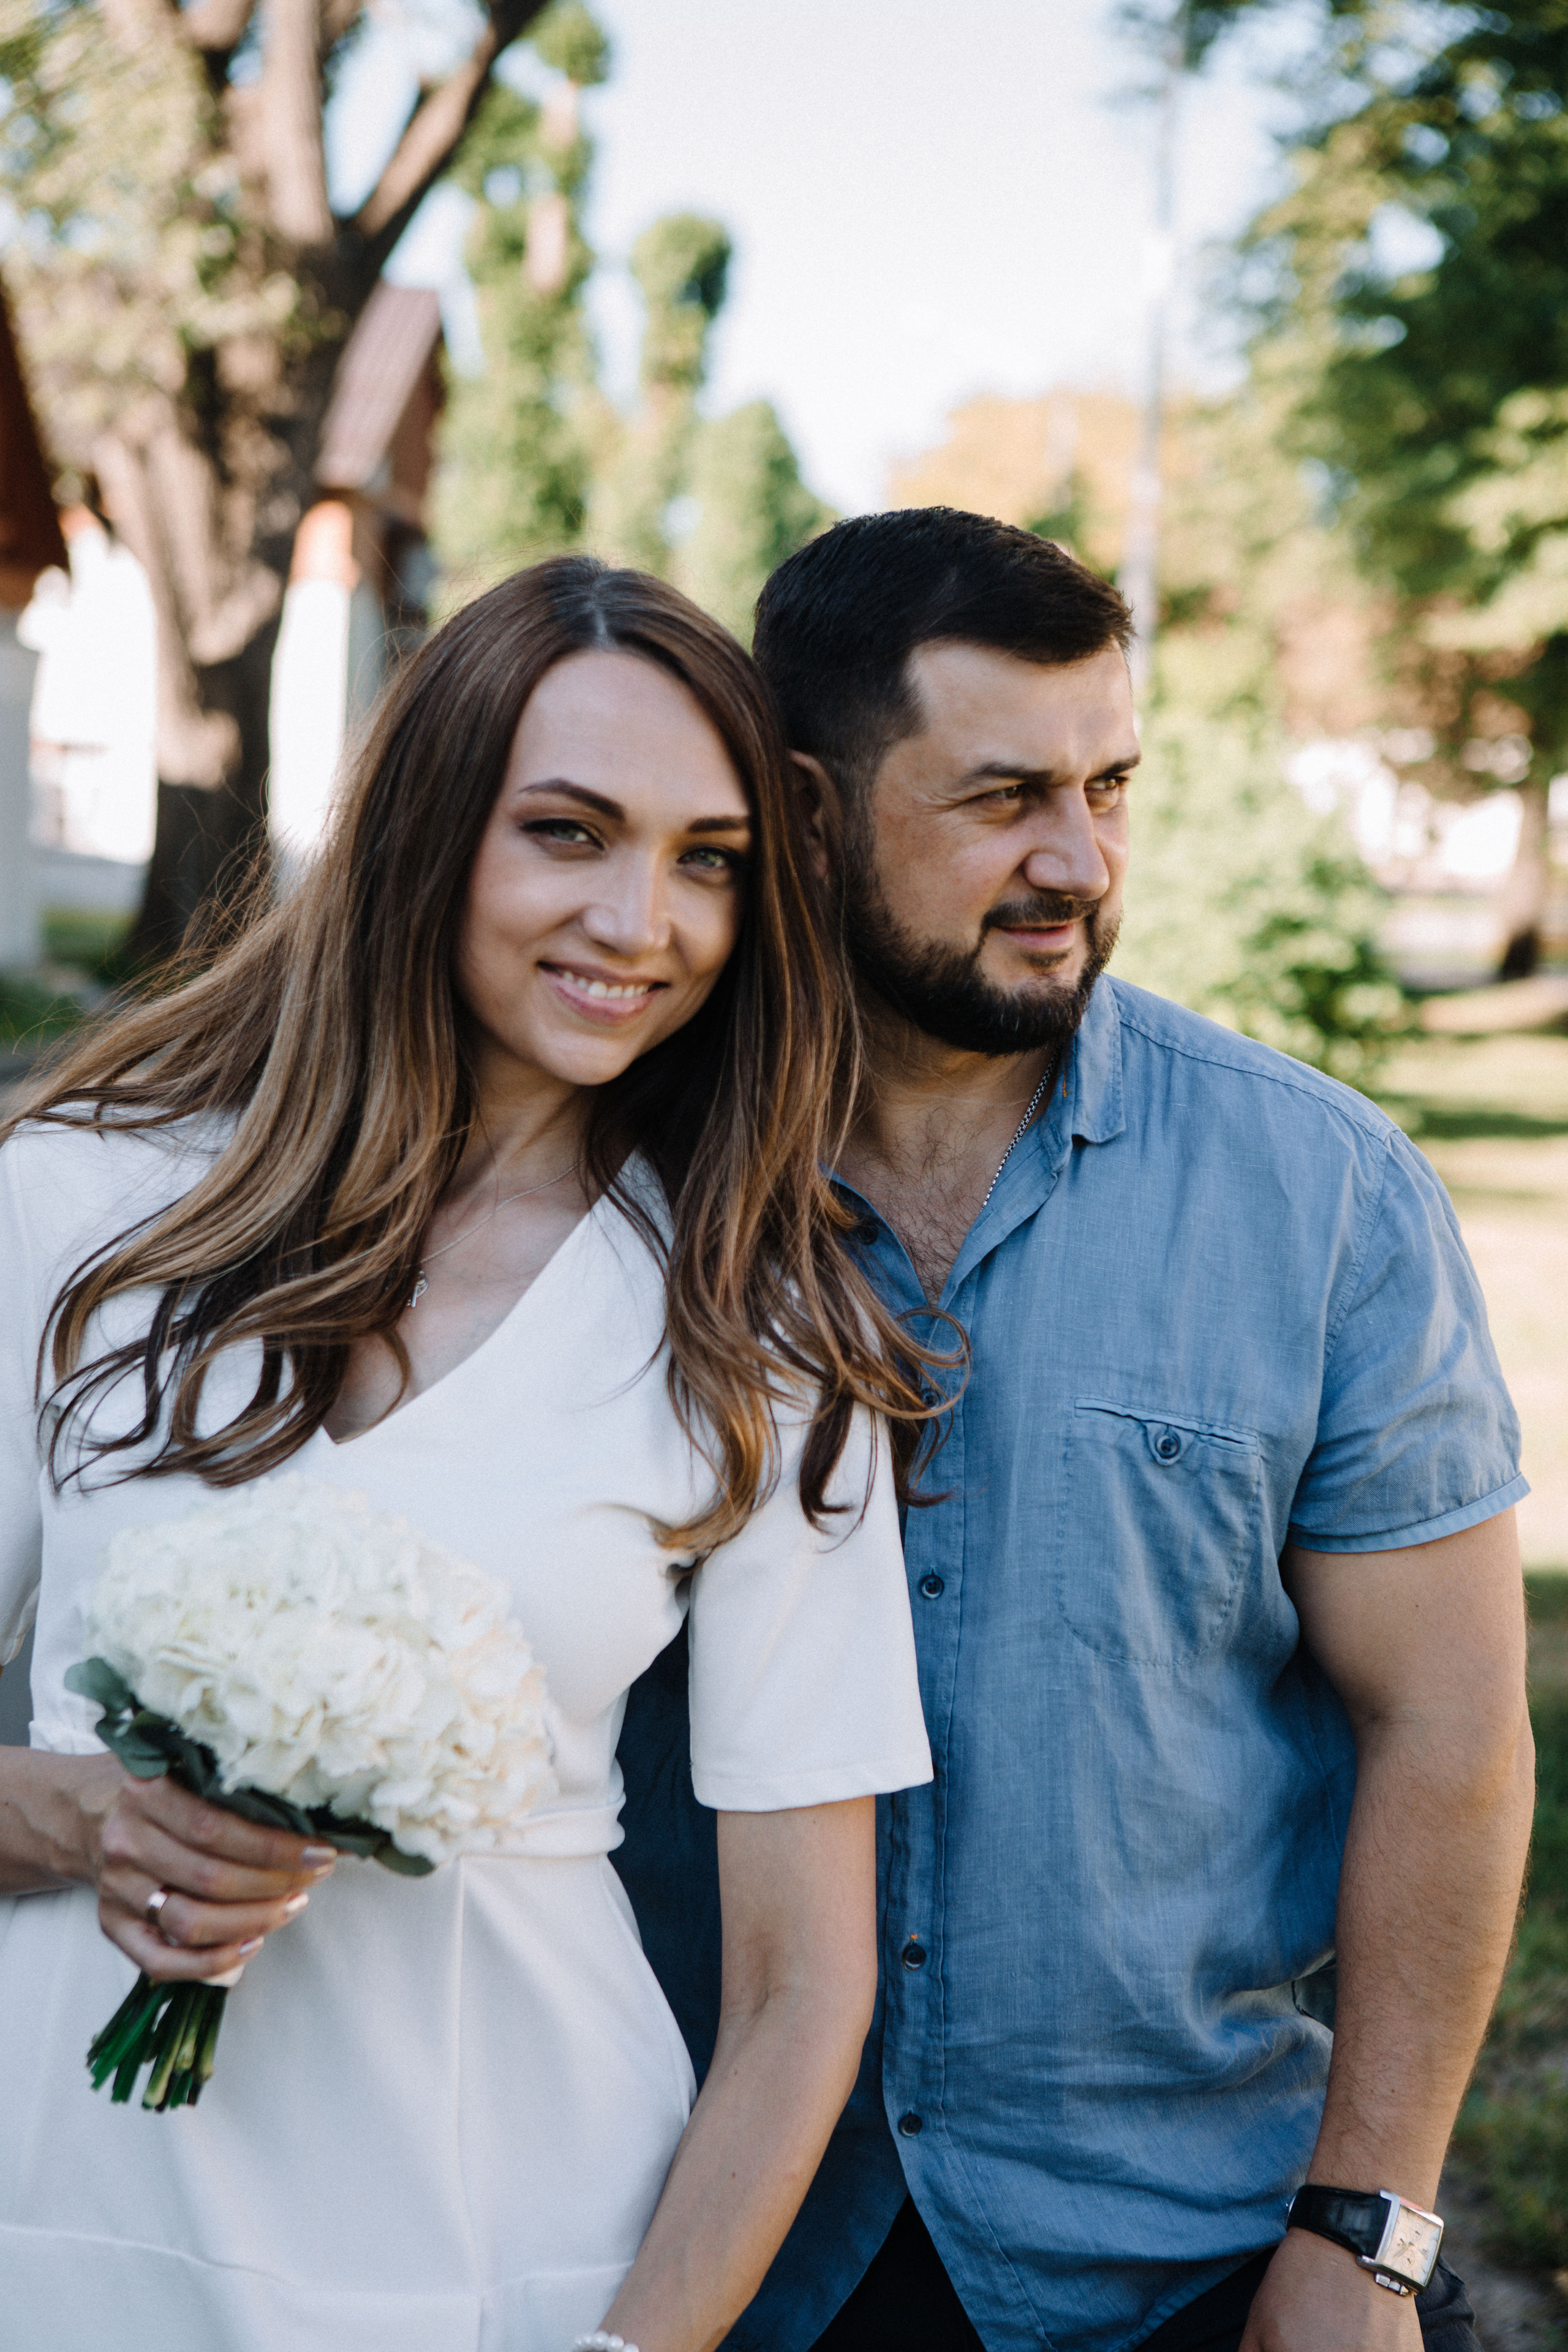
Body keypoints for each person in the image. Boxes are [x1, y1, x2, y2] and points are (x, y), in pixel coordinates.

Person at [613, 508, 1534, 2352]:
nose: (1080, 860)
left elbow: (1445, 1722)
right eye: (1004, 797)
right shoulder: (614, 1177)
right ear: (805, 812)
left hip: (1172, 2255)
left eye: (1113, 784)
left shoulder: (1324, 1194)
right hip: (685, 2240)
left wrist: (1365, 2233)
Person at [0, 558, 937, 2352]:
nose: (643, 920)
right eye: (568, 833)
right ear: (426, 831)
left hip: (506, 2239)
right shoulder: (78, 1205)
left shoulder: (758, 1331)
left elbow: (805, 1990)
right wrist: (97, 1816)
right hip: (66, 2218)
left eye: (707, 860)